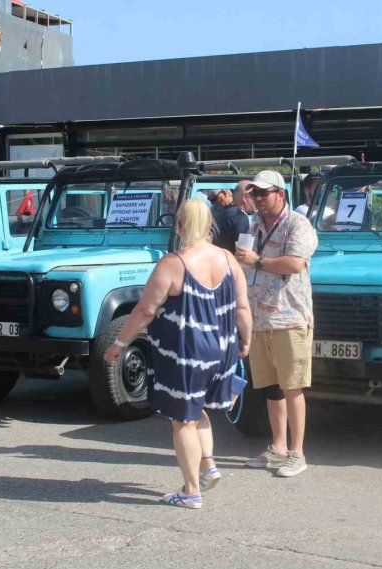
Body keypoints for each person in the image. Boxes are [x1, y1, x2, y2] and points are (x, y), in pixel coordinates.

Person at [104, 198, 252, 509]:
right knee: (199, 411)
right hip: (221, 351)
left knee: (182, 420)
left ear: (180, 225)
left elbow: (145, 309)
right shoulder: (227, 258)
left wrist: (119, 343)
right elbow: (242, 308)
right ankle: (208, 463)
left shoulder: (174, 263)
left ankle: (190, 490)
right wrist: (245, 343)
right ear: (210, 224)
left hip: (184, 353)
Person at [234, 170, 318, 477]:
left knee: (293, 386)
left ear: (280, 195)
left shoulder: (298, 223)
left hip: (289, 318)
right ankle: (278, 447)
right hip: (260, 318)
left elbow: (295, 263)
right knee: (270, 388)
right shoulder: (253, 224)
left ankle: (297, 453)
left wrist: (257, 261)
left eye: (263, 194)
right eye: (254, 194)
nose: (257, 199)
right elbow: (242, 263)